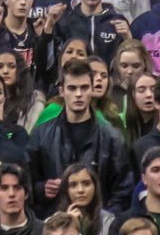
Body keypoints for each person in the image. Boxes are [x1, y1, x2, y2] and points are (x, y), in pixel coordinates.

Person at [28, 59, 133, 216]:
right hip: (55, 226)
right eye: (72, 88)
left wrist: (103, 222)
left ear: (92, 89)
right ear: (61, 91)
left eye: (84, 88)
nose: (78, 94)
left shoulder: (112, 138)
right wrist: (41, 189)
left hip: (99, 228)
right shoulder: (41, 135)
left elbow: (123, 192)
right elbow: (26, 183)